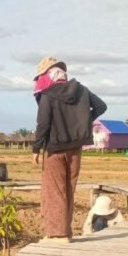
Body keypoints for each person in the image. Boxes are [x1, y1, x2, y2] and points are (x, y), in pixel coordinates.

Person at [32, 56, 107, 243]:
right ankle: (67, 233)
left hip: (55, 148)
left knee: (54, 190)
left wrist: (36, 148)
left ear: (46, 75)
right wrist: (84, 120)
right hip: (76, 147)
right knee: (69, 188)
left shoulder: (48, 94)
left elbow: (43, 123)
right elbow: (101, 106)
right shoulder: (81, 90)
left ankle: (58, 234)